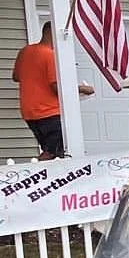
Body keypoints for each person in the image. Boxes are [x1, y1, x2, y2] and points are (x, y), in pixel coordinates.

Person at [10, 23, 94, 160]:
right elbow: (56, 87)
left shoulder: (25, 52)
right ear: (51, 33)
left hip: (30, 113)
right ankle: (41, 177)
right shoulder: (49, 55)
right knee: (55, 153)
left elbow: (16, 77)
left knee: (50, 150)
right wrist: (83, 89)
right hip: (49, 112)